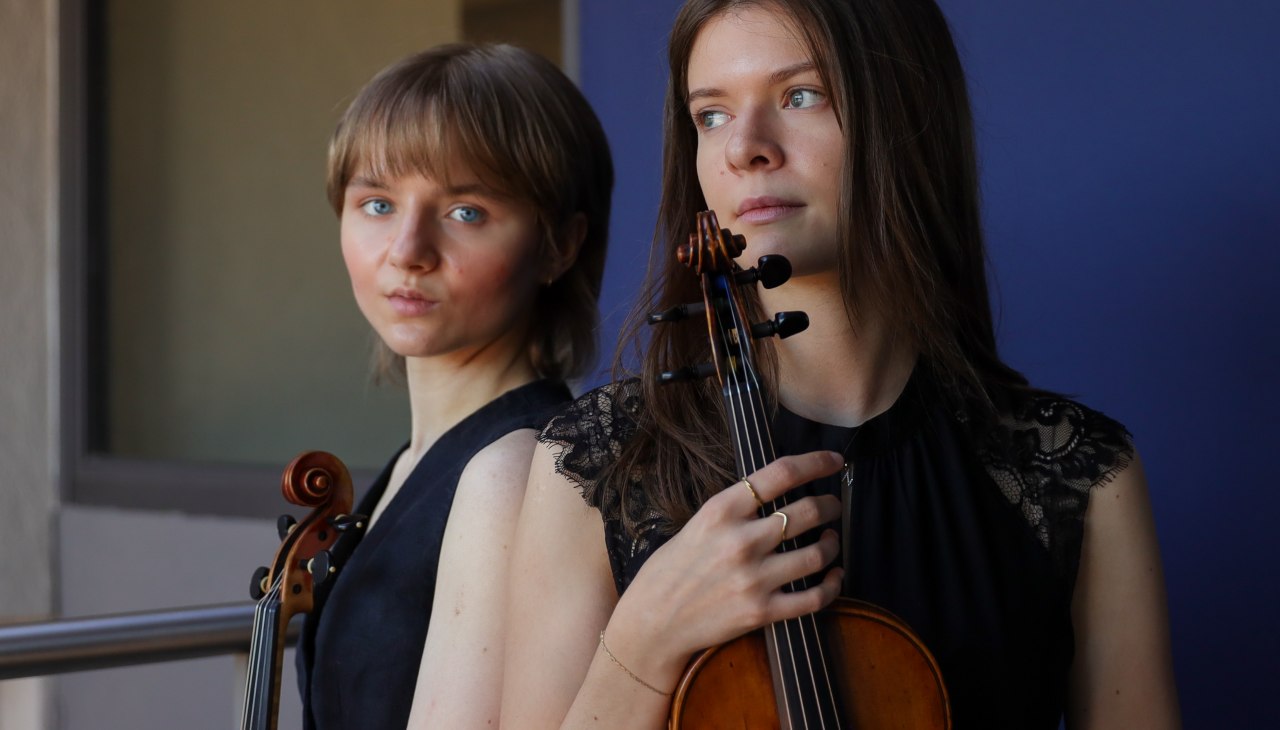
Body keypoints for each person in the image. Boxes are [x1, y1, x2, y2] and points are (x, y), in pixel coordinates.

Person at [500, 1, 1180, 728]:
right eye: (712, 115)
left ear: (905, 116)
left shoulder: (1076, 475)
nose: (745, 148)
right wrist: (644, 641)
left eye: (801, 95)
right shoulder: (598, 462)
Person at [293, 44, 613, 729]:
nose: (407, 250)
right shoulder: (413, 465)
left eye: (466, 212)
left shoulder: (513, 474)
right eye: (377, 203)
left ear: (560, 245)